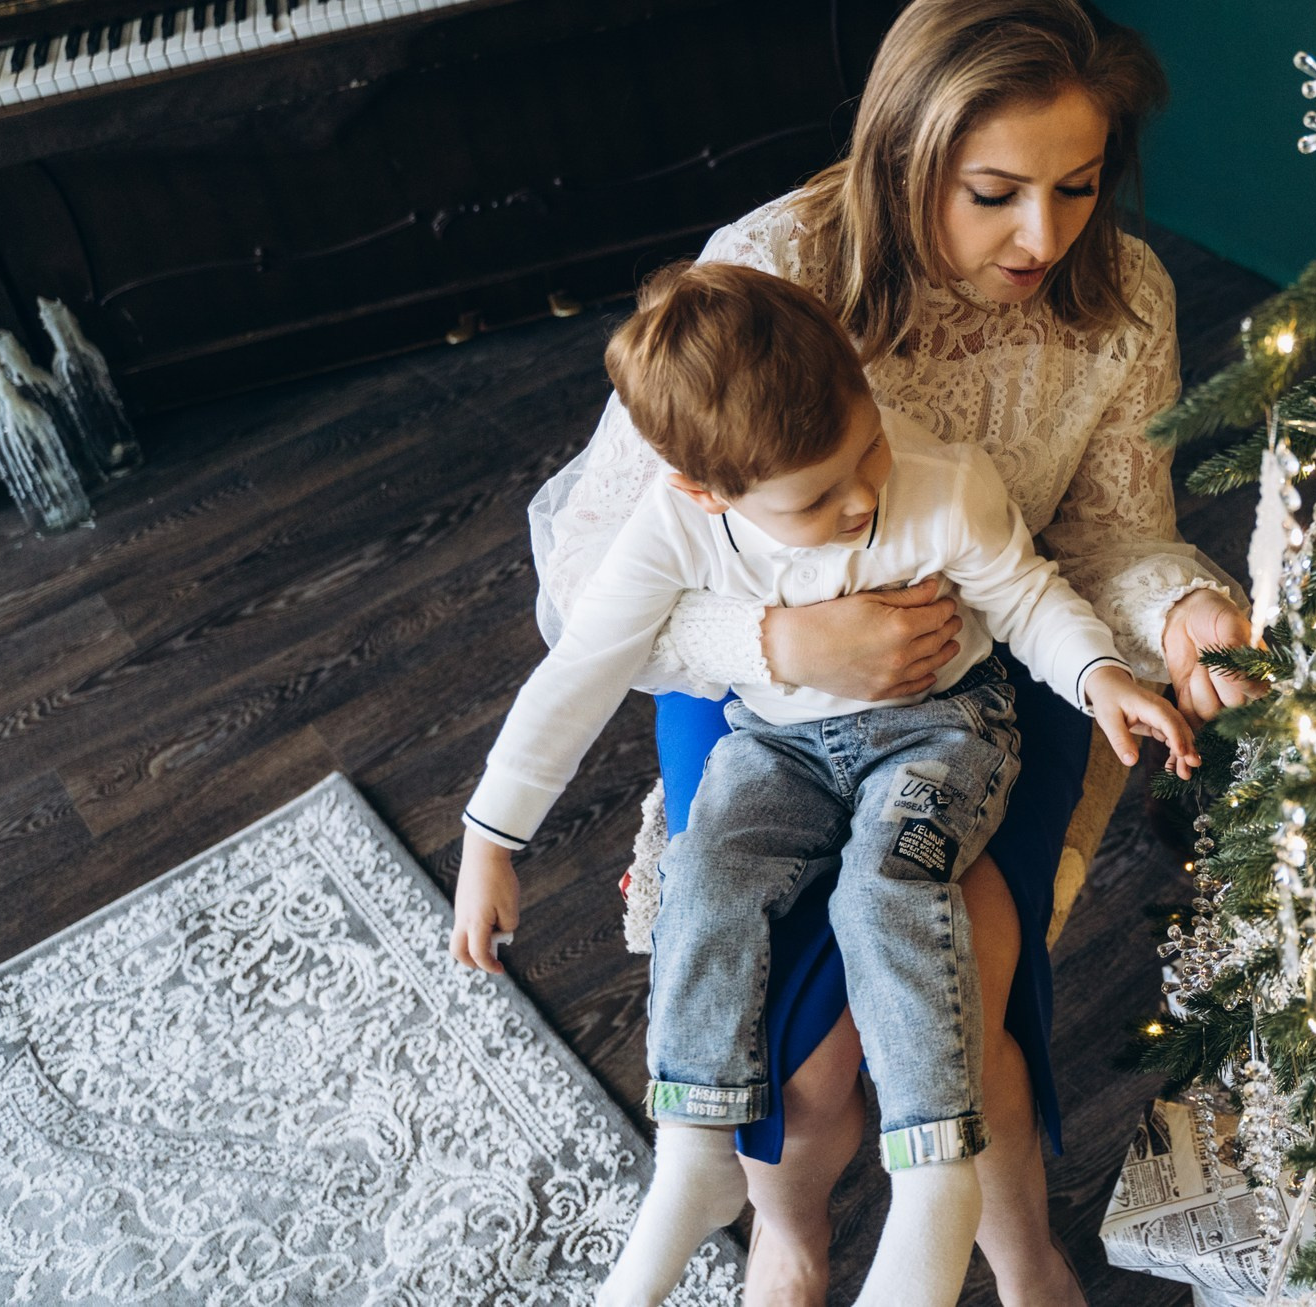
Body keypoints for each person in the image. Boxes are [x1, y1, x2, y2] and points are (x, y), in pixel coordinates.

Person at [527, 0, 1261, 1305]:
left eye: (1081, 181)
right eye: (994, 193)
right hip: (758, 677)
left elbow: (1105, 536)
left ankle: (1014, 1243)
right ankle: (793, 1233)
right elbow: (586, 600)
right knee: (802, 1060)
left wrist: (1180, 605)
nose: (1042, 235)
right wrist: (790, 649)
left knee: (952, 983)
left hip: (984, 672)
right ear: (904, 152)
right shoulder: (765, 271)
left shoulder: (1126, 296)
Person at [453, 262, 1196, 1307]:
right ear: (707, 495)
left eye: (865, 455)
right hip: (780, 738)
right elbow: (579, 673)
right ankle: (696, 1155)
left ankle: (934, 1177)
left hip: (943, 731)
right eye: (814, 499)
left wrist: (1101, 674)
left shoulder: (936, 481)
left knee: (887, 891)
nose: (860, 502)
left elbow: (1029, 598)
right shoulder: (672, 529)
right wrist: (493, 838)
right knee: (705, 873)